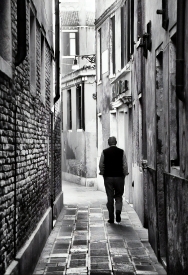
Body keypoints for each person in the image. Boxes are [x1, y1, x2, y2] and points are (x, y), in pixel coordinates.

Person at [99, 136, 128, 224]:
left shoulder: (104, 152)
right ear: (116, 142)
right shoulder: (121, 152)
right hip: (119, 177)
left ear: (108, 143)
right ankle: (118, 211)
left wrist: (102, 172)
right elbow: (125, 165)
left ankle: (111, 218)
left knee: (110, 197)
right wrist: (125, 174)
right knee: (119, 196)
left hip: (108, 177)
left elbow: (101, 164)